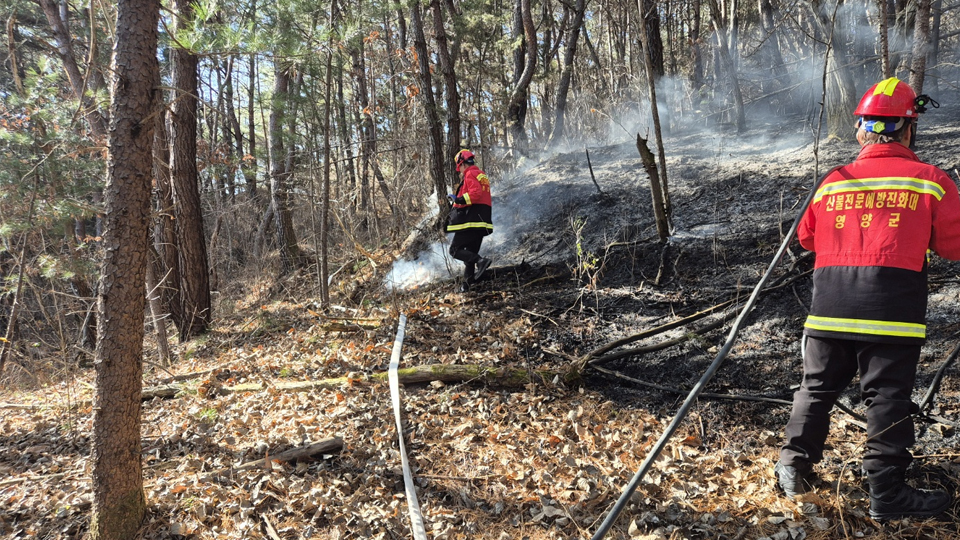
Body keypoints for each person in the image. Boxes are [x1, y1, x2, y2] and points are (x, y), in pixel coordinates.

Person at [775, 77, 960, 520]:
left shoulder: (833, 181)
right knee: (887, 397)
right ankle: (887, 493)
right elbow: (954, 245)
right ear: (909, 129)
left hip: (829, 305)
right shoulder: (931, 181)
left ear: (862, 131)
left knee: (816, 389)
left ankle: (793, 470)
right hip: (891, 308)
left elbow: (806, 239)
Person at [446, 149, 493, 292]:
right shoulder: (481, 175)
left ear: (462, 164)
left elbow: (475, 193)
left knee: (454, 250)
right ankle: (466, 286)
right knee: (469, 255)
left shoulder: (470, 173)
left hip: (471, 220)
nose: (459, 171)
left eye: (459, 167)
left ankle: (481, 261)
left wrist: (458, 199)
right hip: (481, 220)